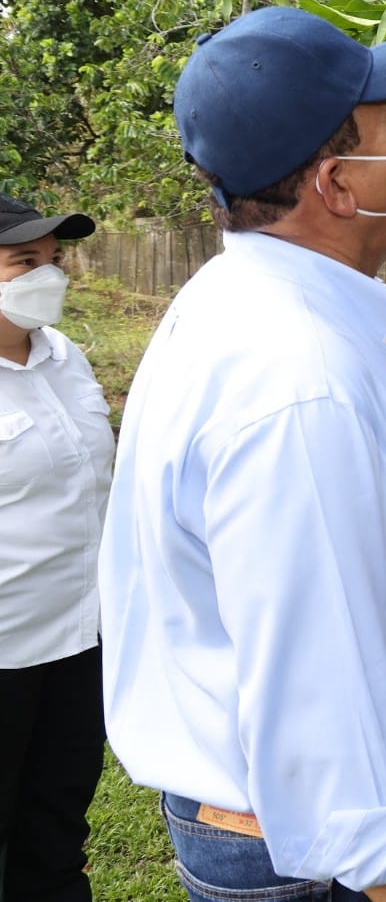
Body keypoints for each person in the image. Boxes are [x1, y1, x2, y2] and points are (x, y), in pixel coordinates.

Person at [98, 6, 386, 902]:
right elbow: (333, 736)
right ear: (338, 185)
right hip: (319, 857)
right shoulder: (299, 383)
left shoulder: (250, 305)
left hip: (283, 830)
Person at [0, 195, 109, 902]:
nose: (49, 275)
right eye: (23, 262)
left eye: (53, 259)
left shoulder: (65, 357)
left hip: (79, 639)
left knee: (56, 826)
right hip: (5, 648)